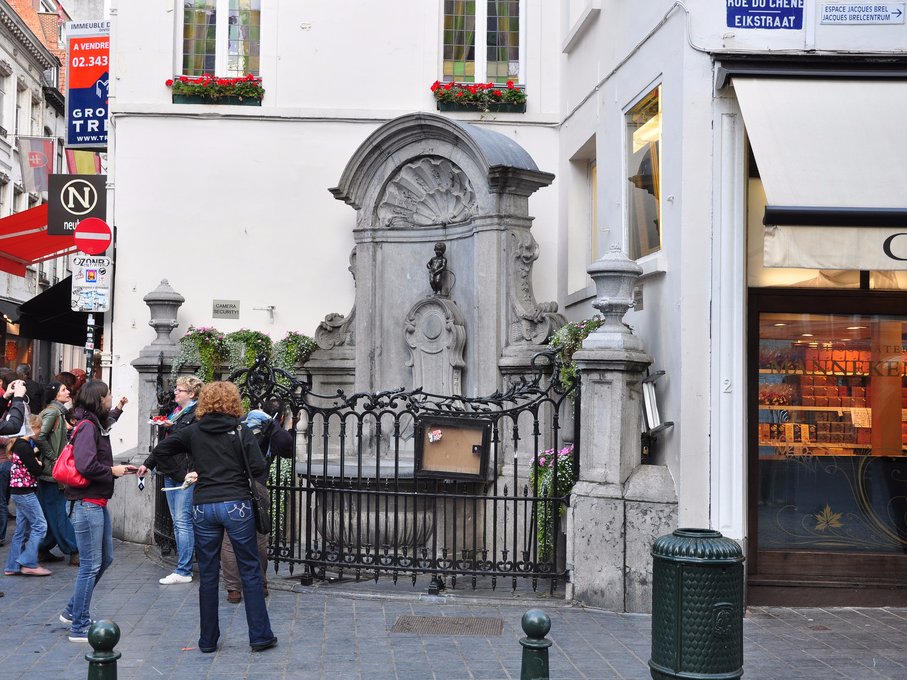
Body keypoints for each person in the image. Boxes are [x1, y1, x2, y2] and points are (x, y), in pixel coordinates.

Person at [151, 381, 277, 653]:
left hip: (204, 506)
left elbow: (161, 451)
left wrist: (185, 472)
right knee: (250, 569)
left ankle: (207, 640)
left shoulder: (193, 432)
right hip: (236, 504)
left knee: (208, 574)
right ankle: (260, 636)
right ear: (233, 402)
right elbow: (258, 468)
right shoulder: (241, 431)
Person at [61, 381, 136, 642]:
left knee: (105, 559)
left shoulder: (94, 422)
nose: (111, 397)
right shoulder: (88, 427)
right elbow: (85, 465)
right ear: (99, 399)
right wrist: (112, 471)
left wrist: (119, 409)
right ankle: (79, 625)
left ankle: (72, 611)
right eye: (109, 395)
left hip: (95, 502)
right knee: (90, 565)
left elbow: (107, 422)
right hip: (86, 503)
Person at [221, 398, 293, 604]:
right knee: (259, 536)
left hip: (230, 485)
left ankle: (233, 589)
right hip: (256, 485)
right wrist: (280, 426)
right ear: (281, 416)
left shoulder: (237, 423)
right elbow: (287, 448)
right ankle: (260, 584)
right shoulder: (269, 427)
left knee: (229, 539)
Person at [138, 375, 203, 585]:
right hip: (170, 472)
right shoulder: (175, 412)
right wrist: (148, 463)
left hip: (184, 474)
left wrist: (170, 427)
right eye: (176, 389)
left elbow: (187, 440)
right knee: (178, 522)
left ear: (191, 393)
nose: (175, 392)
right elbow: (164, 446)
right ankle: (183, 565)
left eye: (179, 390)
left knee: (183, 522)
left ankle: (184, 570)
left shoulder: (196, 414)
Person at [35, 380, 80, 565]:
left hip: (49, 472)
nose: (67, 392)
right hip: (52, 472)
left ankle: (43, 548)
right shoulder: (53, 412)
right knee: (59, 512)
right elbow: (40, 436)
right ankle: (73, 550)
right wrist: (54, 458)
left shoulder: (57, 412)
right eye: (63, 389)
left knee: (50, 512)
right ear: (55, 394)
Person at [3, 415, 51, 577]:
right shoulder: (24, 447)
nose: (40, 431)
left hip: (18, 492)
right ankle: (29, 562)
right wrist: (41, 464)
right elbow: (36, 470)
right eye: (39, 428)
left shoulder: (18, 444)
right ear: (33, 428)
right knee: (40, 525)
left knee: (21, 530)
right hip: (25, 492)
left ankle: (12, 566)